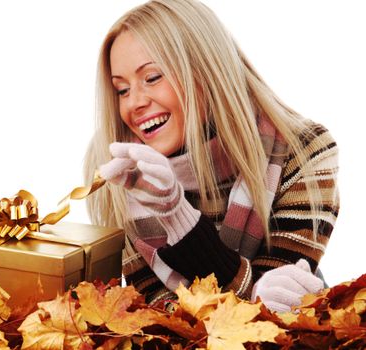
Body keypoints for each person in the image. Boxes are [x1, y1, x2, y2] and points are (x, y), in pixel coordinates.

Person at [83, 0, 339, 313]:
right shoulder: (118, 165)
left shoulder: (305, 149)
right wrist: (250, 291)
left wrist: (179, 218)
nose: (133, 104)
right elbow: (155, 311)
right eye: (122, 90)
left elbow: (279, 301)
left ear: (207, 68)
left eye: (152, 78)